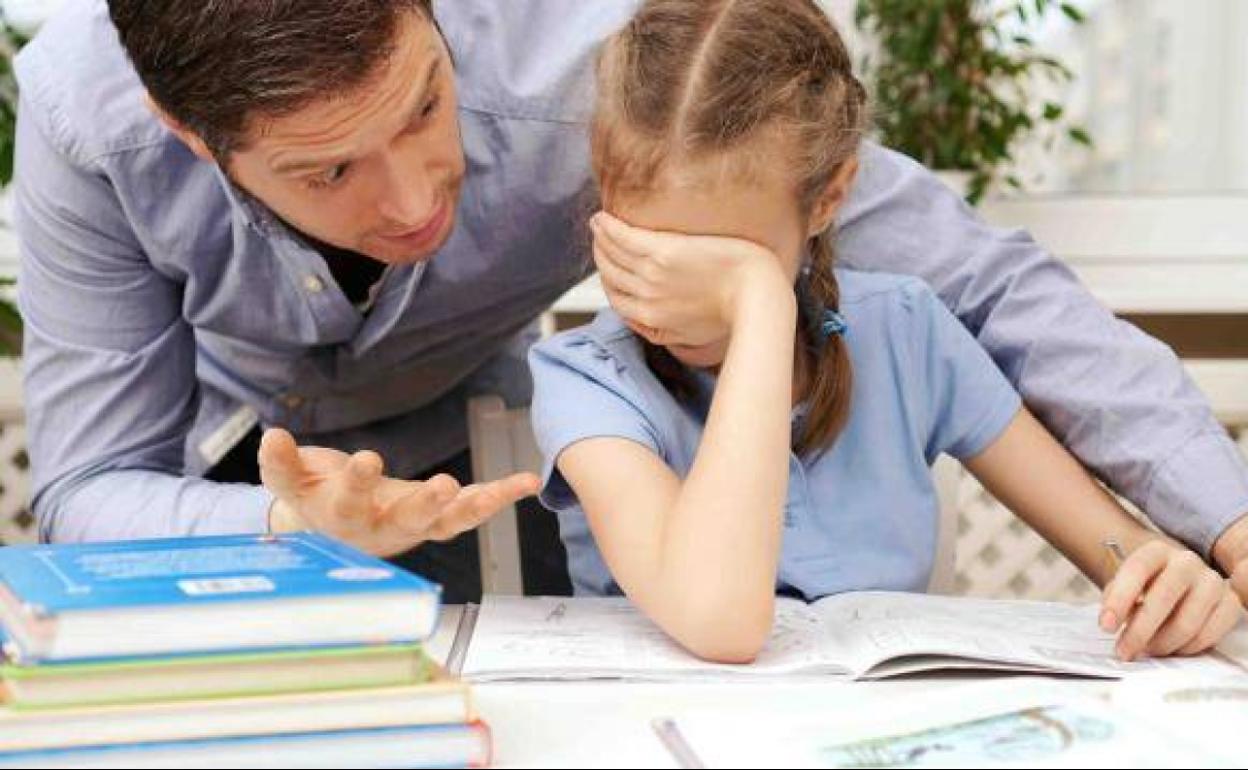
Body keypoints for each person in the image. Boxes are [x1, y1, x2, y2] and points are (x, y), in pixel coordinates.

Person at [14, 1, 1248, 605]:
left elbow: (983, 281)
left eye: (427, 108)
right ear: (187, 133)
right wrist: (287, 522)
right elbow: (88, 484)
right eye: (328, 172)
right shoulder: (87, 119)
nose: (414, 201)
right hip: (240, 478)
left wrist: (1228, 524)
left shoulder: (607, 59)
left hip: (484, 459)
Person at [529, 0, 1242, 662]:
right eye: (653, 251)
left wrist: (1167, 583)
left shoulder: (905, 329)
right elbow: (721, 620)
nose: (683, 300)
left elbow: (1117, 550)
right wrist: (759, 298)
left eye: (727, 259)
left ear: (828, 200)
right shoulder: (586, 380)